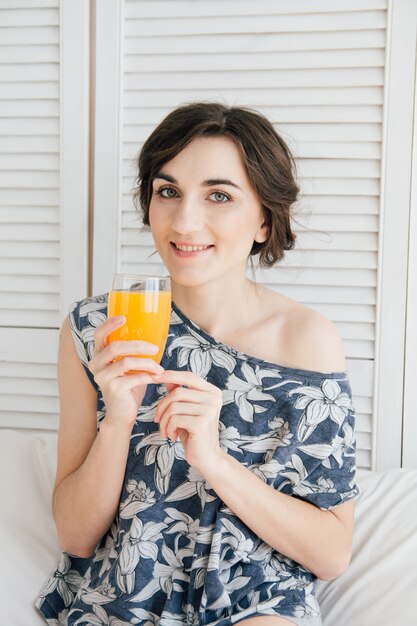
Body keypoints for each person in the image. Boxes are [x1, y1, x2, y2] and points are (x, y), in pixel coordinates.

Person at [35, 102, 359, 626]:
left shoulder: (307, 341)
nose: (184, 221)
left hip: (256, 600)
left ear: (264, 220)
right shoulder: (97, 328)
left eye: (219, 195)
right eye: (168, 192)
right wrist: (118, 417)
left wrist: (214, 460)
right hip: (124, 593)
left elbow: (331, 553)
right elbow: (74, 536)